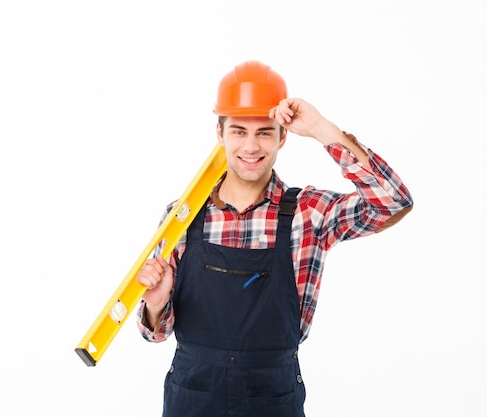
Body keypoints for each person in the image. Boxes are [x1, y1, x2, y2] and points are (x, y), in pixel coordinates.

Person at [135, 60, 414, 417]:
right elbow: (154, 335)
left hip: (271, 397)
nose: (251, 146)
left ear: (283, 136)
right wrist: (157, 304)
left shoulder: (308, 213)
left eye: (264, 132)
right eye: (238, 131)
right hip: (192, 394)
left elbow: (393, 201)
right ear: (219, 133)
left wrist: (321, 128)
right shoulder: (183, 216)